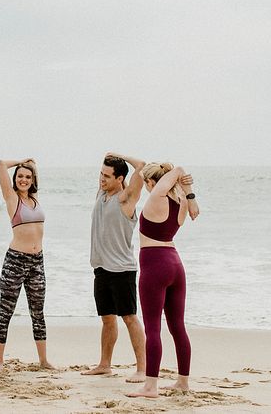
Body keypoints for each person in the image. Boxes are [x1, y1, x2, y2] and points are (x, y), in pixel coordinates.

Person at [81, 153, 194, 384]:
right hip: (101, 266)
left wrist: (120, 155)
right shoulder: (101, 194)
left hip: (123, 268)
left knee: (130, 318)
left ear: (120, 178)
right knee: (107, 318)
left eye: (107, 175)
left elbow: (140, 168)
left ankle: (143, 369)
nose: (101, 179)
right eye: (100, 174)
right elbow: (180, 197)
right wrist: (190, 195)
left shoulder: (127, 198)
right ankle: (105, 364)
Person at [127, 162, 197, 399]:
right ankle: (183, 382)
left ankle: (150, 387)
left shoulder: (156, 198)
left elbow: (178, 168)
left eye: (147, 183)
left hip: (155, 264)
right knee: (178, 327)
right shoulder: (181, 203)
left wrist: (176, 173)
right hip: (175, 263)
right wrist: (190, 195)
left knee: (153, 328)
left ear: (150, 183)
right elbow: (179, 184)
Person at [0, 158, 53, 372]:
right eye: (20, 176)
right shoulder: (12, 198)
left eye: (28, 177)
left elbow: (34, 173)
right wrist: (20, 161)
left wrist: (31, 166)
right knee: (6, 312)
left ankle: (44, 361)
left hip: (38, 262)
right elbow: (1, 165)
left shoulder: (34, 198)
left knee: (38, 313)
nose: (24, 180)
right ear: (15, 179)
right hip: (16, 261)